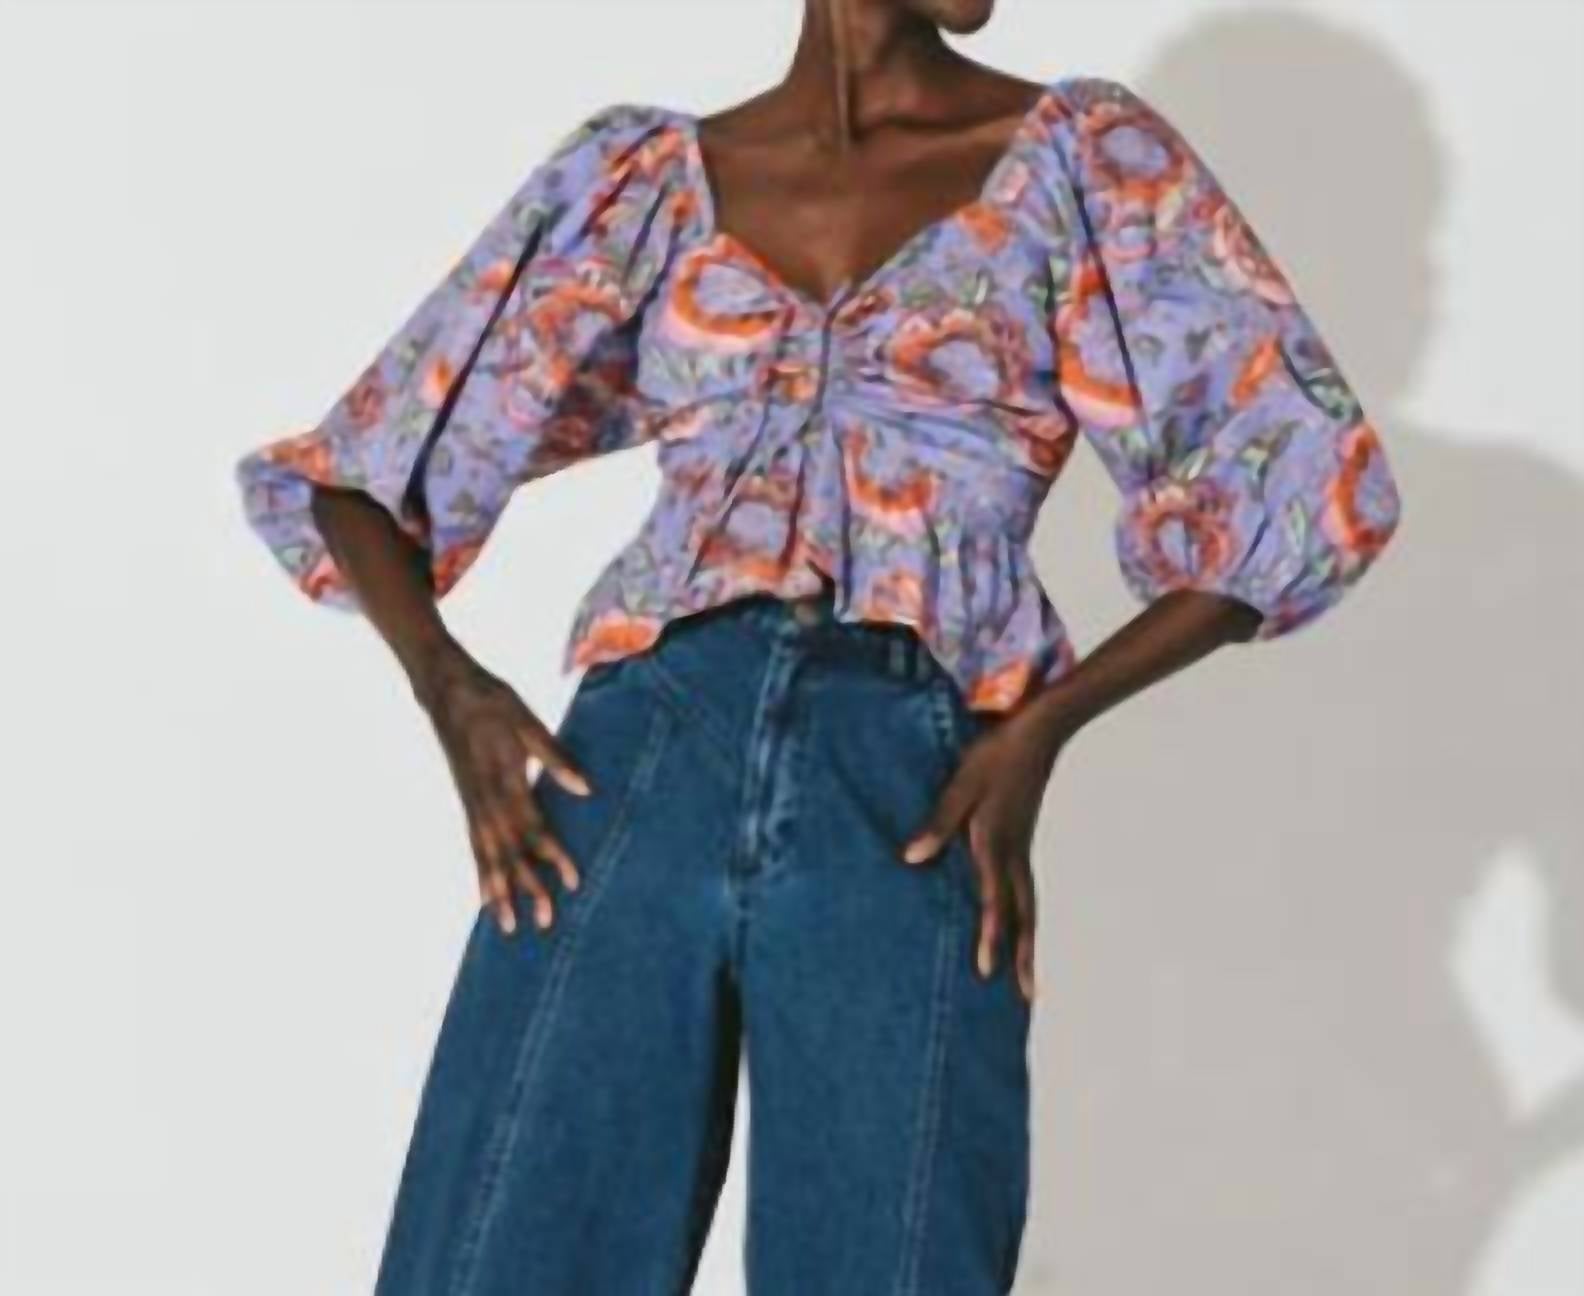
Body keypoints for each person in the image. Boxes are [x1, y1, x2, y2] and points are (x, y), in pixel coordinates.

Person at [233, 1, 1403, 1290]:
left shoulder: (1083, 160)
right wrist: (450, 691)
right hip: (641, 752)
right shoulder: (639, 178)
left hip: (912, 781)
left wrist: (1042, 729)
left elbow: (1307, 485)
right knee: (499, 1258)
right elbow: (361, 473)